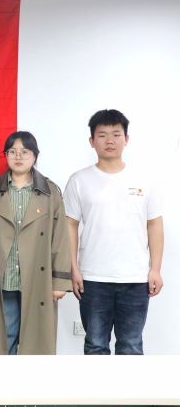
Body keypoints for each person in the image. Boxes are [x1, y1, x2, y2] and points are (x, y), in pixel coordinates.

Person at [64, 109, 163, 355]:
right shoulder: (79, 180)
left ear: (126, 139)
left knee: (131, 345)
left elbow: (154, 224)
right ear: (92, 141)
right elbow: (69, 225)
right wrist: (73, 268)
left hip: (135, 278)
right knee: (95, 345)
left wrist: (155, 269)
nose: (110, 140)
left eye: (116, 134)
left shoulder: (144, 179)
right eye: (102, 135)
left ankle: (127, 385)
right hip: (93, 278)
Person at [0, 131, 71, 355]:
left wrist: (60, 282)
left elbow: (60, 238)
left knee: (36, 339)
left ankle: (31, 379)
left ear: (35, 155)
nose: (18, 156)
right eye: (12, 151)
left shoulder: (50, 192)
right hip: (4, 276)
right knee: (5, 336)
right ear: (5, 155)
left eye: (24, 151)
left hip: (38, 276)